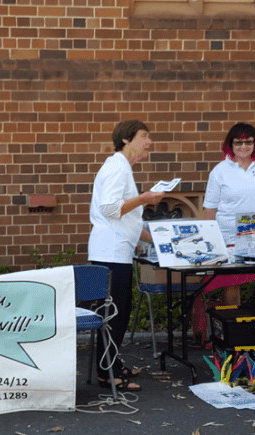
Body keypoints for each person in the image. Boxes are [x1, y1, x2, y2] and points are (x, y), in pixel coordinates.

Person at [88, 119, 165, 392]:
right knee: (114, 316)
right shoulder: (117, 168)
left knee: (117, 313)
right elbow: (111, 210)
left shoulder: (120, 168)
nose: (149, 142)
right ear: (126, 140)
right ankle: (106, 373)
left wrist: (157, 239)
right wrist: (144, 198)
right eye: (144, 136)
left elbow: (125, 220)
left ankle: (111, 364)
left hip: (115, 251)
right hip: (110, 254)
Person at [201, 122, 255, 334]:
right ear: (230, 144)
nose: (243, 146)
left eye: (248, 142)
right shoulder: (219, 171)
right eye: (238, 142)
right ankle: (232, 335)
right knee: (232, 285)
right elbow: (210, 209)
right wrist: (210, 241)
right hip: (230, 237)